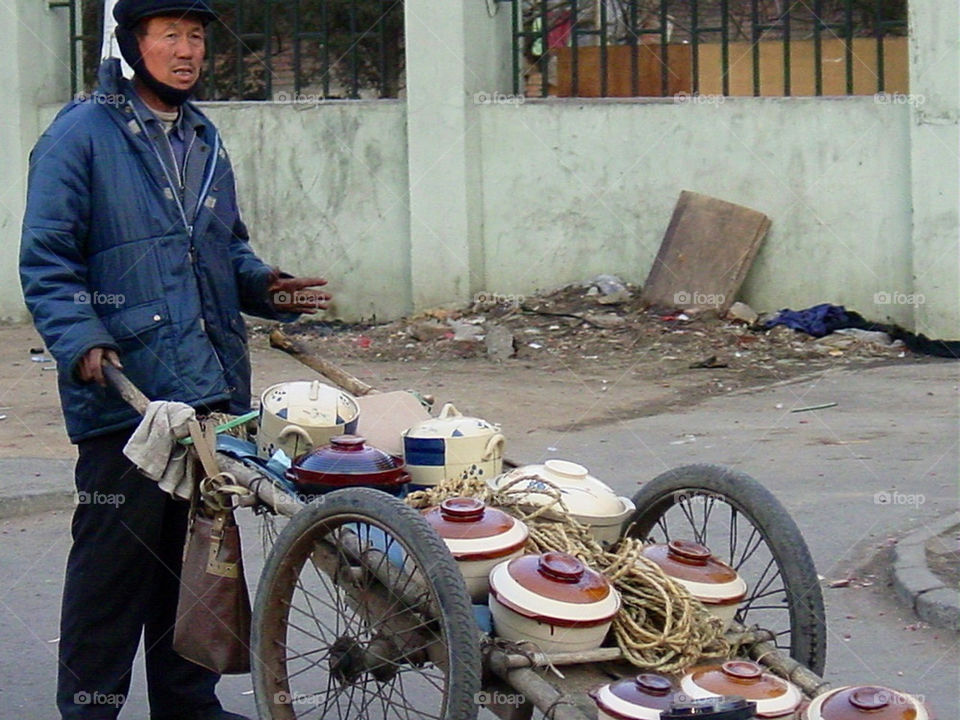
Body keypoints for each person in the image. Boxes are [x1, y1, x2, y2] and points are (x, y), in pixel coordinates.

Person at [19, 1, 329, 718]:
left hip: (209, 394)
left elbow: (226, 248)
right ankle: (90, 707)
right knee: (111, 572)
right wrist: (81, 340)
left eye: (195, 37)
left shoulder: (203, 137)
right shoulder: (81, 135)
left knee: (197, 567)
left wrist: (265, 287)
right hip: (126, 397)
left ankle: (189, 707)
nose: (186, 50)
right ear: (135, 44)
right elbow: (48, 258)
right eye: (170, 36)